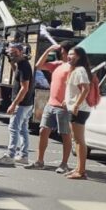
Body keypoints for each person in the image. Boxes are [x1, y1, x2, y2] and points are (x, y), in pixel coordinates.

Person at [31, 41, 76, 172]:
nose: (60, 54)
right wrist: (49, 49)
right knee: (43, 131)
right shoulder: (57, 65)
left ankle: (64, 164)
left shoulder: (73, 68)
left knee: (65, 135)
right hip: (50, 104)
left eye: (62, 51)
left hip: (63, 107)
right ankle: (40, 161)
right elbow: (38, 65)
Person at [0, 43, 35, 167]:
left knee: (13, 128)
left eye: (14, 53)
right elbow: (16, 74)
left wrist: (14, 104)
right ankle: (23, 155)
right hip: (27, 103)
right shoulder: (20, 65)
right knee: (23, 129)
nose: (12, 55)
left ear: (21, 52)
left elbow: (24, 88)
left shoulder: (24, 66)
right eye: (10, 53)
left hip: (22, 103)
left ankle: (10, 155)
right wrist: (10, 61)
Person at [63, 46, 93, 180]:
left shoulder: (80, 70)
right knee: (77, 139)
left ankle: (81, 171)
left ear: (79, 57)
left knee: (79, 140)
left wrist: (76, 104)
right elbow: (76, 90)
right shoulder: (76, 70)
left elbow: (85, 89)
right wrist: (68, 101)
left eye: (72, 54)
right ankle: (78, 168)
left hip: (79, 110)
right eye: (68, 54)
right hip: (75, 108)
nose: (69, 56)